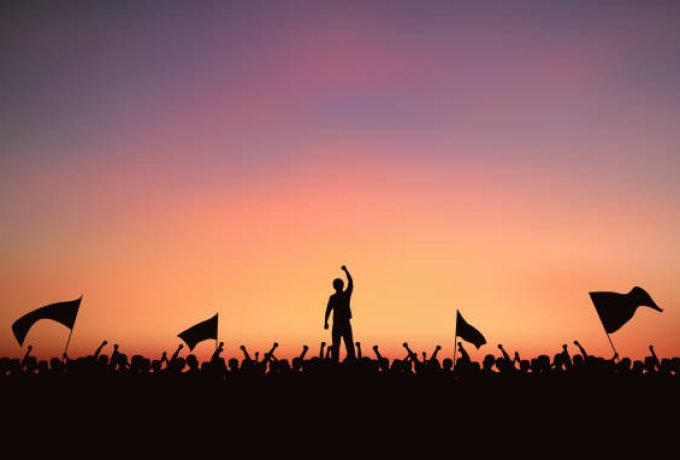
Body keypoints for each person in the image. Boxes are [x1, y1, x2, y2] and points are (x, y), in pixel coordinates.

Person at [324, 265, 356, 362]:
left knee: (348, 344)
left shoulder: (345, 295)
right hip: (338, 323)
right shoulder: (333, 297)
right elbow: (328, 309)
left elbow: (350, 282)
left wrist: (346, 271)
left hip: (344, 322)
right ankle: (336, 362)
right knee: (336, 345)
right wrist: (325, 321)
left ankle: (351, 361)